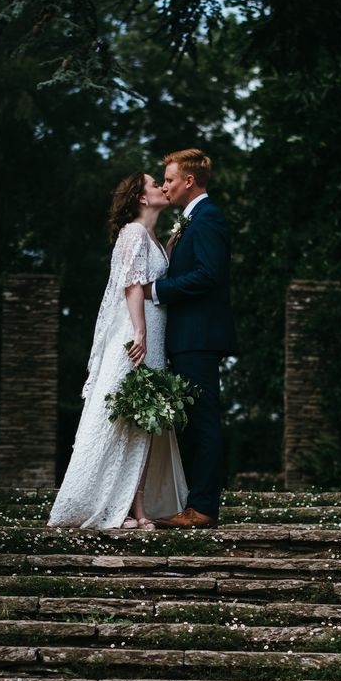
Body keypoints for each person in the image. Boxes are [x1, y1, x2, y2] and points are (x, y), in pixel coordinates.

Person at [48, 172, 187, 531]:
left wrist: (173, 242)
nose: (161, 187)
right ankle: (109, 505)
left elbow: (156, 272)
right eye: (155, 184)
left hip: (153, 335)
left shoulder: (152, 237)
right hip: (135, 334)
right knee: (121, 418)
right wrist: (139, 331)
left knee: (142, 423)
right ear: (142, 198)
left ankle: (136, 509)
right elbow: (131, 285)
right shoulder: (133, 233)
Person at [145, 147, 237, 529]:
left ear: (189, 180)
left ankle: (202, 508)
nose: (164, 185)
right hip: (186, 338)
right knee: (193, 423)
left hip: (198, 338)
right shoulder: (191, 220)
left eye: (168, 179)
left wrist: (157, 290)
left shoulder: (208, 217)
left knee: (203, 422)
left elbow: (208, 274)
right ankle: (193, 502)